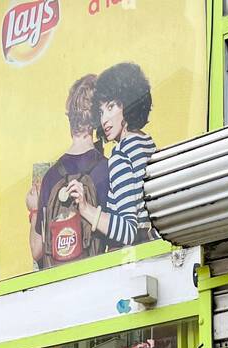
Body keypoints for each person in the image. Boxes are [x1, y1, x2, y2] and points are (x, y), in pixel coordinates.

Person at [66, 63, 156, 250]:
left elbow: (128, 231)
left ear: (129, 103)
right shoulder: (147, 144)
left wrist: (85, 208)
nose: (104, 119)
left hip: (134, 261)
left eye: (111, 106)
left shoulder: (120, 155)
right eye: (101, 112)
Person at [27, 74, 109, 268]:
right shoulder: (105, 169)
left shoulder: (50, 177)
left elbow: (37, 250)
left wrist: (34, 211)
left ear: (70, 120)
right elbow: (115, 243)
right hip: (95, 283)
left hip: (61, 289)